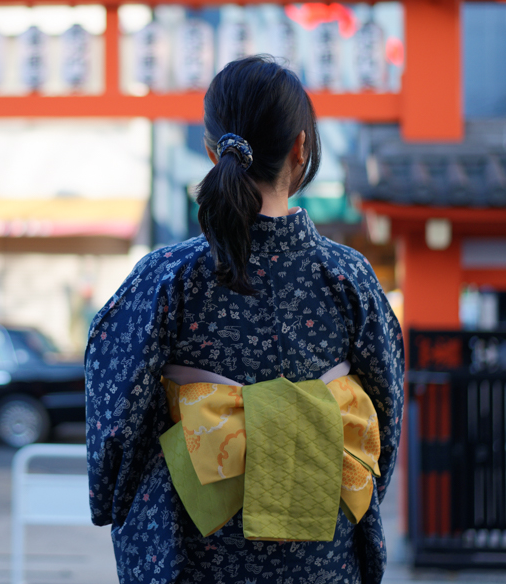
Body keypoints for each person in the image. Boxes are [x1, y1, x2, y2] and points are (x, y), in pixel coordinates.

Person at [85, 57, 404, 584]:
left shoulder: (167, 279)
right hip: (321, 556)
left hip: (192, 549)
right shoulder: (349, 279)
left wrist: (114, 498)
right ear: (301, 149)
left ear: (213, 152)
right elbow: (381, 426)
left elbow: (116, 422)